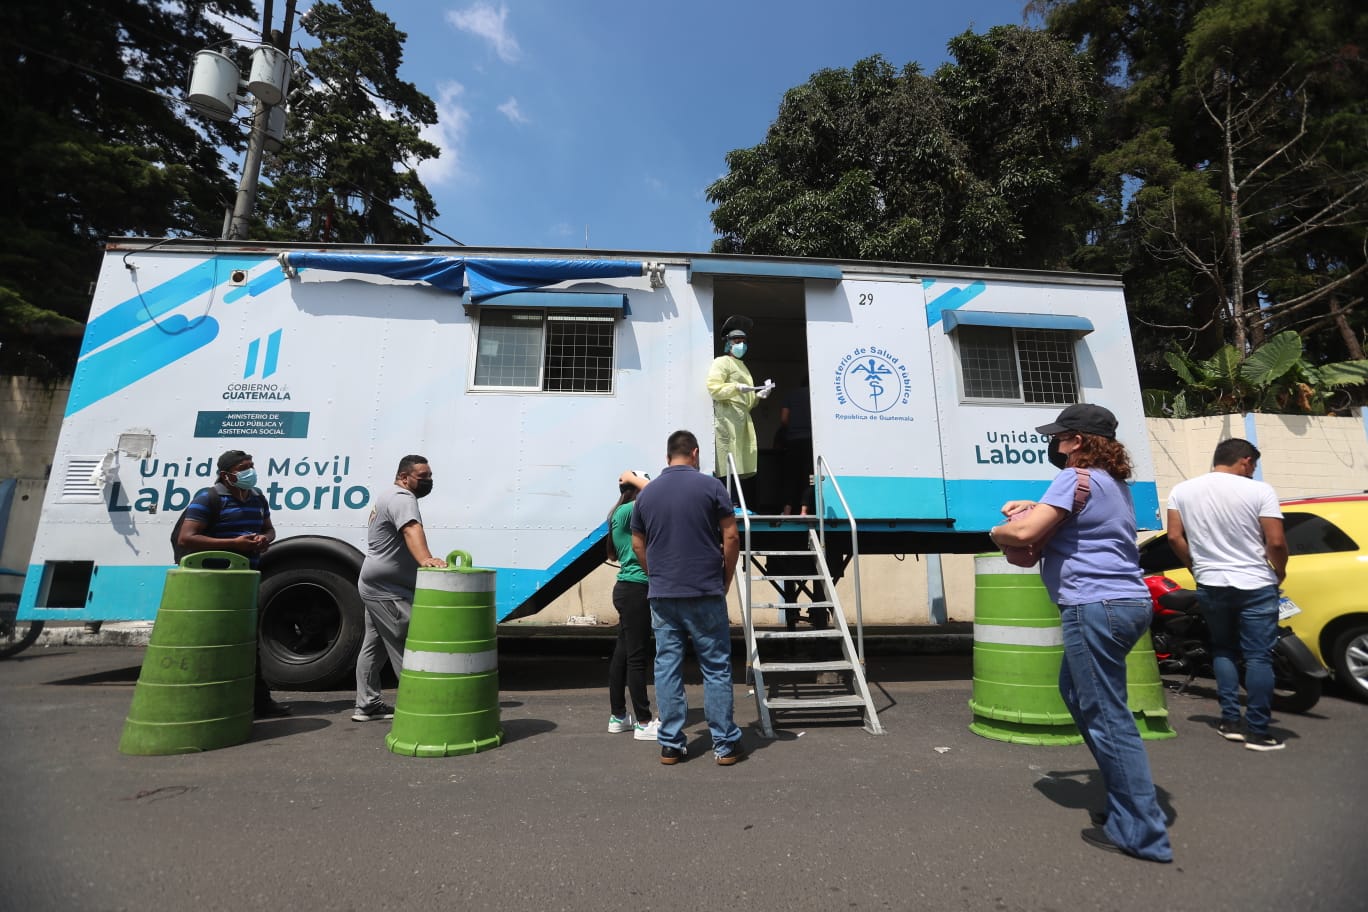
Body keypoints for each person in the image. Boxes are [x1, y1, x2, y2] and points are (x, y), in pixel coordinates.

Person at [988, 404, 1172, 863]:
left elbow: (1026, 532)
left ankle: (1141, 830)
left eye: (1059, 437)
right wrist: (1034, 509)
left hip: (1094, 606)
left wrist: (1000, 529)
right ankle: (1124, 798)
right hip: (1124, 604)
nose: (1054, 444)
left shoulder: (1075, 477)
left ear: (1077, 441)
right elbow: (1071, 528)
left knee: (1106, 715)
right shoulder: (1113, 485)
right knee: (1075, 691)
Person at [630, 430, 745, 766]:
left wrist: (656, 574)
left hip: (664, 593)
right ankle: (724, 744)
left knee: (667, 666)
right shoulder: (712, 487)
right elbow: (732, 535)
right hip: (705, 590)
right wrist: (725, 578)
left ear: (668, 457)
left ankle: (671, 745)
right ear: (694, 453)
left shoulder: (647, 496)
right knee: (716, 667)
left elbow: (638, 544)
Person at [1165, 438, 1288, 752]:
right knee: (1259, 656)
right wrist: (1280, 570)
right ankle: (1259, 731)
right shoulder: (1260, 491)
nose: (1253, 471)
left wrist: (1194, 565)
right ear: (1245, 461)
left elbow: (1175, 536)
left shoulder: (1182, 490)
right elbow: (1275, 542)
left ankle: (1230, 721)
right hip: (1256, 583)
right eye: (1253, 466)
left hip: (1211, 582)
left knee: (1223, 649)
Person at [176, 449, 288, 719]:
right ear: (227, 475)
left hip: (246, 580)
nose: (250, 471)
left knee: (249, 642)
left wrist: (265, 539)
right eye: (243, 467)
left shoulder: (257, 497)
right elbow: (187, 537)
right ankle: (206, 701)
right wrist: (233, 544)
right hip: (216, 583)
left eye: (251, 465)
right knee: (216, 642)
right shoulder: (208, 498)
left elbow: (269, 528)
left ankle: (260, 702)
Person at [353, 455, 447, 722]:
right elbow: (411, 529)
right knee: (406, 644)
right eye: (423, 476)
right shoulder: (402, 498)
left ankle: (367, 705)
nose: (428, 481)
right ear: (404, 477)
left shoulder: (388, 495)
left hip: (375, 584)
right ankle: (419, 709)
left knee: (374, 646)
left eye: (430, 475)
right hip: (387, 590)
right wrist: (426, 559)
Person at [606, 470, 658, 741]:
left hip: (628, 589)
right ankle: (644, 722)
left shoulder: (622, 512)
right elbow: (654, 493)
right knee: (637, 658)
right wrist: (636, 478)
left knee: (623, 654)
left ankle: (618, 716)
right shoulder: (628, 510)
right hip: (636, 589)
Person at [706, 325, 772, 504]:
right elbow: (714, 388)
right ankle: (728, 503)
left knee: (738, 463)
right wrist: (735, 387)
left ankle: (734, 503)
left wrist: (758, 395)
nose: (741, 345)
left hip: (741, 418)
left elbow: (747, 402)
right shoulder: (722, 362)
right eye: (737, 341)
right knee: (726, 461)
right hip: (726, 417)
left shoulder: (743, 366)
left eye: (744, 342)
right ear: (728, 343)